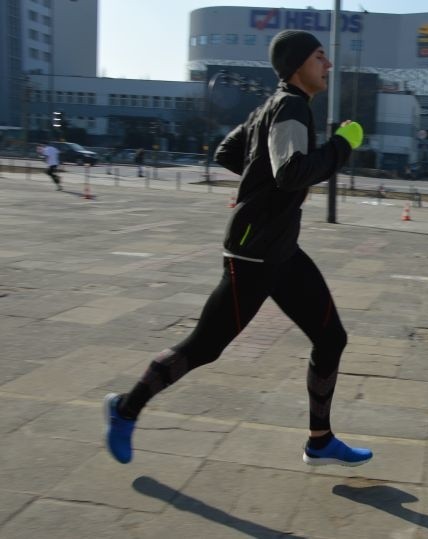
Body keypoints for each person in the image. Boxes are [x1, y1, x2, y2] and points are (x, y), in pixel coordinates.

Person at [103, 30, 372, 467]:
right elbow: (291, 172)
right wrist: (343, 144)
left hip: (279, 251)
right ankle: (124, 409)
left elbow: (231, 152)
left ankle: (320, 440)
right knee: (203, 348)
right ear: (298, 64)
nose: (328, 64)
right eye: (320, 56)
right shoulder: (290, 107)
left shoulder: (273, 105)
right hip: (253, 256)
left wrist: (259, 183)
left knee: (331, 337)